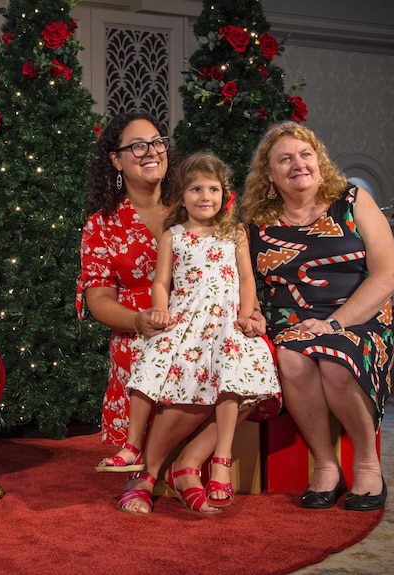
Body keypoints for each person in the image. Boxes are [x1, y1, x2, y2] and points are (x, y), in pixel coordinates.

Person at [78, 112, 248, 514]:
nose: (151, 152)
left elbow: (236, 255)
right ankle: (149, 473)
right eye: (137, 145)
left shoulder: (194, 199)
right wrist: (139, 320)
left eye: (157, 142)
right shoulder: (102, 225)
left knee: (250, 365)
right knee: (165, 360)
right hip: (143, 323)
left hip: (208, 316)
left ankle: (180, 466)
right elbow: (98, 299)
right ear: (116, 160)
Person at [242, 121, 394, 511]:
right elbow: (243, 281)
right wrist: (252, 314)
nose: (299, 164)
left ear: (319, 160)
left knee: (334, 361)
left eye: (305, 154)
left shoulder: (351, 200)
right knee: (292, 358)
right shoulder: (256, 222)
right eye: (285, 159)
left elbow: (388, 274)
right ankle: (326, 467)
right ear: (269, 173)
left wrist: (335, 323)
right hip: (292, 320)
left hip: (360, 317)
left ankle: (366, 464)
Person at [125, 152, 280, 511]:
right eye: (196, 189)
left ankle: (215, 459)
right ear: (181, 196)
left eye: (213, 189)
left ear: (226, 195)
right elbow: (161, 282)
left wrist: (245, 315)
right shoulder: (174, 235)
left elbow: (246, 279)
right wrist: (160, 309)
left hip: (226, 321)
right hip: (188, 320)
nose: (205, 197)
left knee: (246, 367)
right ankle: (144, 471)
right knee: (179, 366)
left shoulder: (233, 232)